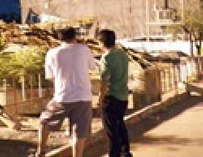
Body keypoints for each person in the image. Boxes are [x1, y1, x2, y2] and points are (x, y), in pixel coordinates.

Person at [32, 27, 96, 157]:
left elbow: (50, 76)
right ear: (75, 36)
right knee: (79, 133)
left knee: (45, 121)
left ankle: (40, 152)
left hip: (63, 96)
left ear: (59, 38)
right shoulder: (84, 50)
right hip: (84, 96)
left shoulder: (52, 53)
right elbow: (92, 67)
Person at [97, 29, 132, 157]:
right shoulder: (122, 55)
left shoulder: (106, 58)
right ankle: (125, 151)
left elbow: (104, 81)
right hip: (123, 95)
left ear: (101, 42)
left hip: (111, 97)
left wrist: (100, 99)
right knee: (120, 124)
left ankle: (114, 154)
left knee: (111, 130)